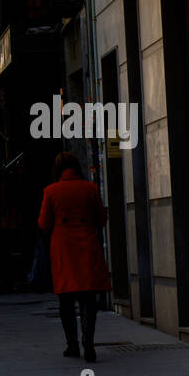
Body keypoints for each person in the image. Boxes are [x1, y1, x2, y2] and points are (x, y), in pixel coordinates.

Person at [38, 151, 111, 363]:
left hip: (63, 248)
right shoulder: (90, 188)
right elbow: (101, 218)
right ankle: (88, 343)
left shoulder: (51, 191)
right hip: (87, 243)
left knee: (66, 298)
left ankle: (72, 345)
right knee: (88, 297)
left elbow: (43, 223)